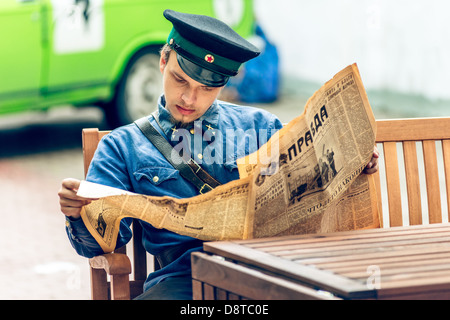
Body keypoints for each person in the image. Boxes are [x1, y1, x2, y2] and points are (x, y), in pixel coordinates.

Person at [58, 9, 379, 300]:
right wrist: (77, 214)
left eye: (206, 89)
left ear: (222, 85)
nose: (188, 97)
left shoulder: (260, 126)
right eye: (179, 79)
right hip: (185, 281)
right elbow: (102, 245)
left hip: (271, 273)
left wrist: (353, 163)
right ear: (162, 62)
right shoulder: (123, 145)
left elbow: (316, 193)